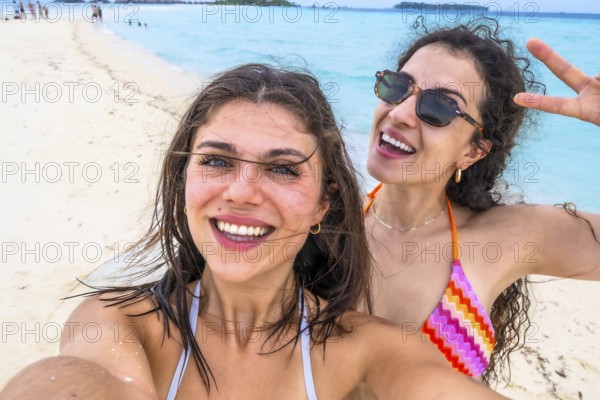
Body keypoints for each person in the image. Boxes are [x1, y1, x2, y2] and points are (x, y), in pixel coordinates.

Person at [0, 64, 505, 400]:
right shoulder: (117, 323)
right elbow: (80, 382)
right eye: (217, 161)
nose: (242, 192)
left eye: (283, 169)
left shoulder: (369, 348)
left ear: (322, 205)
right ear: (183, 182)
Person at [362, 17, 600, 390]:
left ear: (474, 150)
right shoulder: (322, 220)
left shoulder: (506, 237)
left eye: (438, 108)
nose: (399, 113)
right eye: (397, 87)